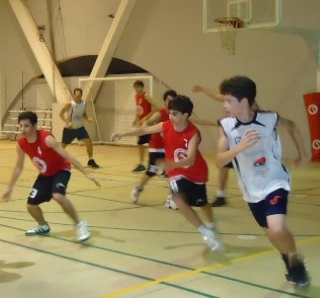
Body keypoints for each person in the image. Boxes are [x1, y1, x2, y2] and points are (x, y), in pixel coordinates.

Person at [215, 76, 309, 286]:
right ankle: (288, 258)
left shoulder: (269, 119)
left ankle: (295, 260)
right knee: (272, 235)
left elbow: (292, 126)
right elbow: (219, 161)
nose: (224, 105)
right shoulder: (226, 126)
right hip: (251, 190)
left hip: (275, 181)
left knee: (277, 229)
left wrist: (304, 153)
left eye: (229, 100)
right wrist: (239, 148)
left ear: (245, 101)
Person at [111, 95, 223, 252]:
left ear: (185, 115)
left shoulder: (193, 133)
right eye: (170, 112)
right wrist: (122, 134)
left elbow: (190, 159)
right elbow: (144, 129)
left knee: (202, 204)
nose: (171, 116)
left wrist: (168, 163)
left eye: (175, 114)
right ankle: (205, 232)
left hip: (195, 171)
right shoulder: (165, 125)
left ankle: (211, 225)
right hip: (176, 172)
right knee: (178, 198)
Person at [2, 111, 100, 242]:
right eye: (21, 126)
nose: (23, 129)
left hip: (61, 170)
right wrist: (10, 187)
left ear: (35, 125)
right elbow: (19, 166)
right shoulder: (21, 144)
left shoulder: (46, 139)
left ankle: (80, 225)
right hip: (45, 175)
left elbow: (67, 156)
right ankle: (43, 225)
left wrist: (86, 173)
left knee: (58, 195)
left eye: (27, 126)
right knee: (31, 205)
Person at [193, 85, 263, 207]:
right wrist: (203, 89)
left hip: (244, 139)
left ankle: (259, 193)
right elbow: (216, 96)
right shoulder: (229, 99)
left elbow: (259, 115)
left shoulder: (250, 102)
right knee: (223, 166)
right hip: (232, 137)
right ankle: (220, 195)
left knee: (250, 168)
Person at [129, 89, 177, 204]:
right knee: (151, 171)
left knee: (173, 172)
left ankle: (174, 197)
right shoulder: (161, 113)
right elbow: (149, 121)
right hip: (157, 147)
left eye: (173, 100)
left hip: (169, 147)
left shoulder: (177, 113)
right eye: (168, 100)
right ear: (165, 102)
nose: (170, 103)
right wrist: (145, 126)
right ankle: (138, 188)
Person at [59, 88, 100, 168]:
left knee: (89, 142)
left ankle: (91, 160)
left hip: (80, 128)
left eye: (79, 94)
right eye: (76, 94)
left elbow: (83, 113)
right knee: (62, 146)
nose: (78, 95)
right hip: (69, 129)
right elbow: (61, 114)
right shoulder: (70, 104)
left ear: (81, 95)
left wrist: (87, 118)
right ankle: (55, 160)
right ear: (74, 95)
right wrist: (68, 122)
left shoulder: (84, 103)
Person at [131, 80, 158, 172]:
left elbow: (156, 107)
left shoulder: (146, 95)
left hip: (148, 124)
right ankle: (142, 164)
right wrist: (136, 119)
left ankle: (154, 164)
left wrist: (147, 118)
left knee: (153, 145)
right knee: (141, 143)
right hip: (142, 125)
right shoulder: (136, 96)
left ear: (142, 87)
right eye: (135, 88)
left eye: (138, 87)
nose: (136, 89)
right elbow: (138, 110)